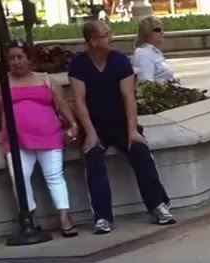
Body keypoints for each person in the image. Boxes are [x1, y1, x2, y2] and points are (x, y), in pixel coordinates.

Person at [69, 20, 175, 235]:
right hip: (95, 126)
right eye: (107, 34)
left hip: (121, 123)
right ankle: (102, 217)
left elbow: (129, 97)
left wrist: (132, 130)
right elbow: (78, 101)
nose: (112, 37)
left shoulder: (119, 61)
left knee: (140, 151)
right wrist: (89, 133)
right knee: (94, 157)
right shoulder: (79, 64)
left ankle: (158, 205)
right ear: (93, 41)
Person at [0, 40, 80, 237]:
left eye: (20, 57)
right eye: (12, 58)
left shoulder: (46, 80)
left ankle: (64, 216)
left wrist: (73, 125)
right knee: (19, 177)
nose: (16, 62)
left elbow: (62, 104)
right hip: (16, 139)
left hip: (48, 135)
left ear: (29, 59)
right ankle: (29, 216)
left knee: (54, 175)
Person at [132, 16, 176, 83]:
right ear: (147, 33)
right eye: (157, 30)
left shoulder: (155, 52)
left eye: (162, 29)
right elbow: (146, 82)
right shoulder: (143, 54)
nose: (162, 32)